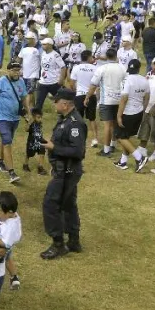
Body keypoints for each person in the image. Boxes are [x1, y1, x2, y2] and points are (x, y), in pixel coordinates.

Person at [40, 89, 87, 260]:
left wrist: (54, 148)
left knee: (51, 204)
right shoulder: (66, 119)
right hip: (64, 169)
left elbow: (77, 151)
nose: (54, 104)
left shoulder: (74, 123)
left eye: (56, 101)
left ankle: (58, 244)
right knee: (69, 204)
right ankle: (74, 241)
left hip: (67, 171)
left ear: (65, 104)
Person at [0, 62, 28, 183]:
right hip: (2, 118)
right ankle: (11, 172)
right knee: (7, 143)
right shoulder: (0, 82)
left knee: (6, 140)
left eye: (18, 70)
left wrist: (29, 113)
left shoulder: (21, 81)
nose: (17, 73)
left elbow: (24, 98)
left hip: (15, 118)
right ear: (8, 71)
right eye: (14, 70)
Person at [89, 48, 128, 157]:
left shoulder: (102, 68)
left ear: (106, 57)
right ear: (116, 56)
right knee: (115, 123)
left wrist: (87, 97)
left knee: (108, 125)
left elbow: (93, 85)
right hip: (119, 100)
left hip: (107, 100)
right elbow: (127, 83)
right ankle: (113, 144)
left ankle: (106, 150)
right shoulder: (122, 68)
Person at [115, 59, 149, 172]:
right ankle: (123, 161)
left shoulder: (127, 80)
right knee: (127, 137)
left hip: (128, 113)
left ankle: (140, 158)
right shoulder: (144, 80)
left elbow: (124, 99)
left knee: (120, 136)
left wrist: (119, 116)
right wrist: (143, 108)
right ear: (139, 68)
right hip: (138, 111)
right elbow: (147, 96)